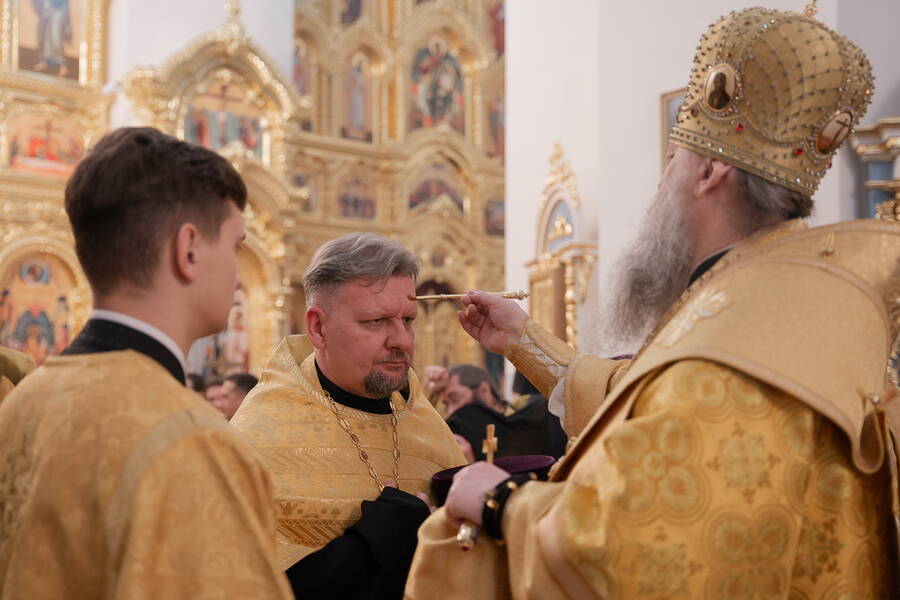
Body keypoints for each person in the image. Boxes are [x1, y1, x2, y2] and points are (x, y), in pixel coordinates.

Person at [405, 8, 899, 598]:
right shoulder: (785, 304)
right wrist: (522, 340)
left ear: (710, 172)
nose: (660, 188)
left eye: (671, 165)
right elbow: (646, 399)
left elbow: (631, 552)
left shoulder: (732, 349)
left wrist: (497, 501)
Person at [0, 127, 292, 598]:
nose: (240, 278)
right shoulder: (195, 442)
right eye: (235, 247)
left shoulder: (19, 404)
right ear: (188, 248)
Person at [232, 232, 465, 599]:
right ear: (318, 328)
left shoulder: (423, 418)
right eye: (376, 321)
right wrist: (379, 538)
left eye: (408, 320)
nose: (402, 341)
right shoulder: (259, 435)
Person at [426, 364, 567, 463]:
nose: (451, 411)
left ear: (484, 390)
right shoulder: (460, 437)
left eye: (455, 399)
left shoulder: (536, 412)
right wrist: (430, 396)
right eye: (446, 405)